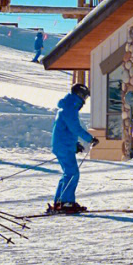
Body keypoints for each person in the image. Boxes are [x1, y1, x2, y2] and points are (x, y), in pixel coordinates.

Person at [49, 83, 98, 214]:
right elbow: (74, 128)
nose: (85, 101)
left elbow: (67, 128)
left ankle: (60, 200)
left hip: (63, 144)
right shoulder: (70, 108)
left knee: (68, 173)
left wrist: (75, 143)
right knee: (72, 173)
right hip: (63, 146)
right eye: (85, 97)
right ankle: (66, 202)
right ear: (79, 95)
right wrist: (90, 139)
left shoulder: (68, 106)